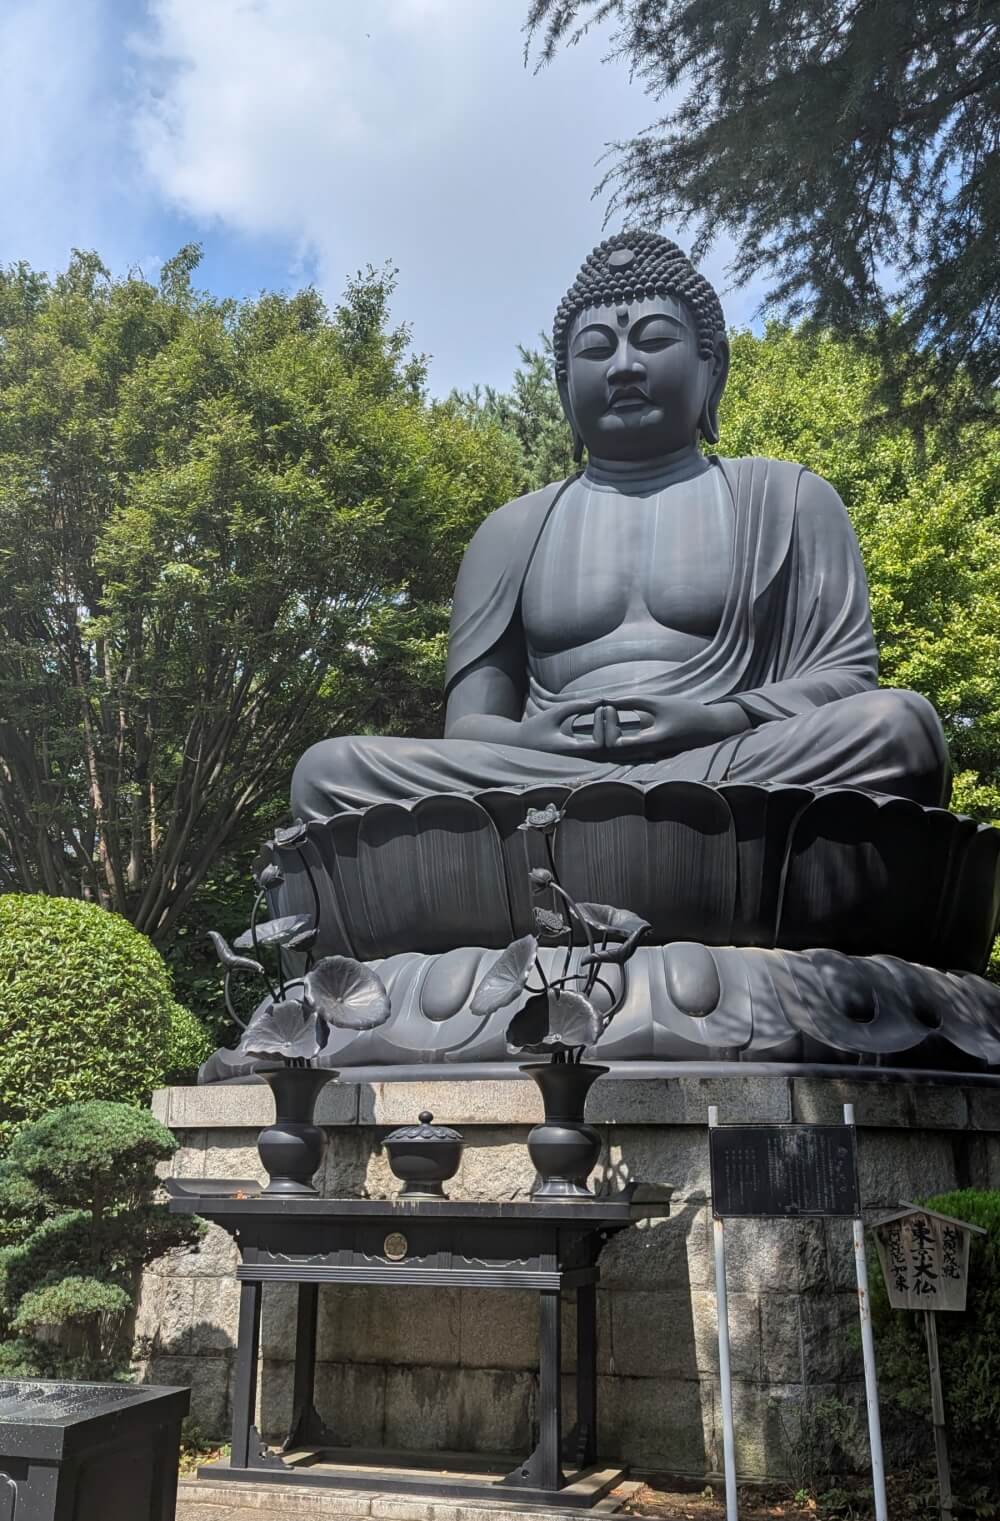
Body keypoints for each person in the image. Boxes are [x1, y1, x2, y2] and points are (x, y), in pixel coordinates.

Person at [292, 232, 949, 820]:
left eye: (655, 339)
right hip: (543, 779)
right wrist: (538, 736)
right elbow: (469, 725)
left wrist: (715, 719)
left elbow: (846, 680)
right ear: (563, 383)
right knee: (330, 772)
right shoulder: (510, 530)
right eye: (596, 349)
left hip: (731, 762)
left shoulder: (789, 497)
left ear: (711, 367)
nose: (624, 366)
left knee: (898, 729)